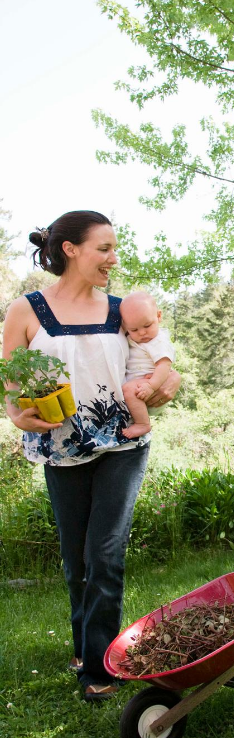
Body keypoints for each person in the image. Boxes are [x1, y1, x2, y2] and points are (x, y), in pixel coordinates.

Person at [2, 211, 180, 702]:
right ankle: (85, 643)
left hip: (123, 442)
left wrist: (168, 381)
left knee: (104, 553)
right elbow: (11, 377)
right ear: (70, 250)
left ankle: (100, 667)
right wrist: (16, 412)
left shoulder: (121, 309)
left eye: (114, 249)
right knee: (76, 558)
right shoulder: (26, 310)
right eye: (103, 248)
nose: (113, 259)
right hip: (63, 447)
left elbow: (156, 356)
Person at [120, 290, 175, 439]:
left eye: (147, 325)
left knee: (129, 388)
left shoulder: (158, 341)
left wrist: (151, 386)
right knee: (129, 388)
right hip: (141, 386)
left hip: (150, 385)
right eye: (134, 329)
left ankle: (143, 424)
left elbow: (164, 365)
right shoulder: (133, 334)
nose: (142, 333)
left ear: (158, 316)